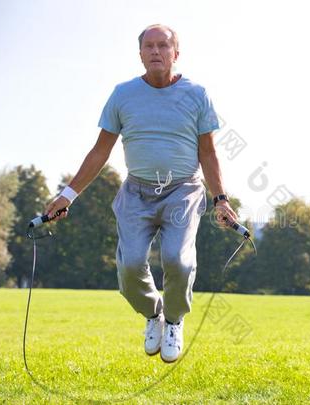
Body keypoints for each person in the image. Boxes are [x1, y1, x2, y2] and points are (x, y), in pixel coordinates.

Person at [45, 24, 238, 363]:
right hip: (136, 192)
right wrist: (67, 195)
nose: (156, 51)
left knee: (177, 260)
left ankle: (175, 320)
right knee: (131, 266)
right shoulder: (123, 94)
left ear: (176, 53)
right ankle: (154, 314)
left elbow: (208, 153)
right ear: (140, 54)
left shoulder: (197, 94)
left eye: (163, 45)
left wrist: (221, 199)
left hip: (183, 191)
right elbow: (100, 151)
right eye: (149, 46)